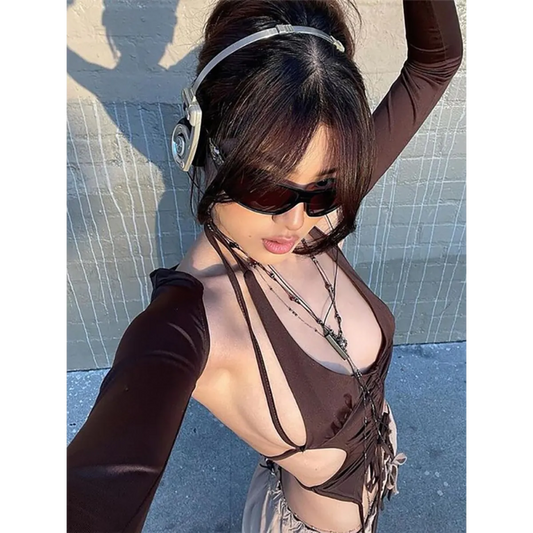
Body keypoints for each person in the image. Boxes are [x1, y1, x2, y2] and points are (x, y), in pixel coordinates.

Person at [64, 1, 463, 532]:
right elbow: (95, 496)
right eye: (266, 186)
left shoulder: (315, 215)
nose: (297, 221)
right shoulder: (185, 324)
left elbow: (435, 64)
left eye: (326, 187)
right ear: (195, 146)